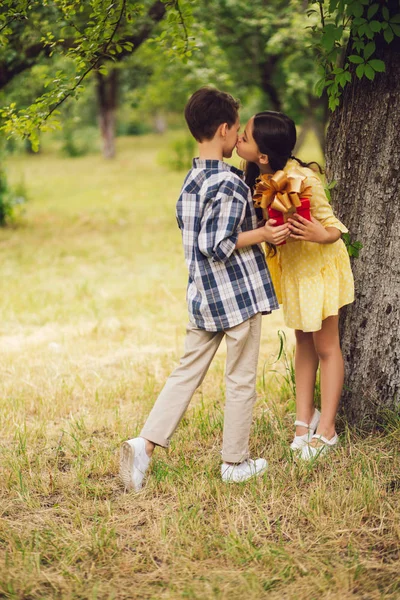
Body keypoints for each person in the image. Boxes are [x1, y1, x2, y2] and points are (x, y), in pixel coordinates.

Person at [120, 89, 287, 492]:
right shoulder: (229, 184)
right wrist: (262, 232)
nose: (239, 142)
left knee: (186, 373)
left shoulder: (193, 178)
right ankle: (234, 461)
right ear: (225, 130)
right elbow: (216, 242)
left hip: (203, 295)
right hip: (235, 296)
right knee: (241, 377)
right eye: (237, 132)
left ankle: (144, 445)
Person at [236, 111, 354, 461]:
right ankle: (304, 421)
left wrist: (321, 234)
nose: (239, 139)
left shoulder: (303, 179)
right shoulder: (259, 181)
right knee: (303, 342)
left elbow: (333, 226)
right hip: (294, 275)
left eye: (245, 136)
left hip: (319, 271)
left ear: (262, 154)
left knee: (327, 347)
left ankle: (328, 428)